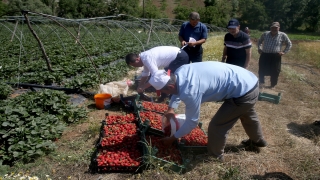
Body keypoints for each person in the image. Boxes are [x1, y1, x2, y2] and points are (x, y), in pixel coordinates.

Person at [148, 61, 267, 161]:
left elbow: (192, 122)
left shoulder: (190, 92)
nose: (164, 94)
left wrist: (173, 138)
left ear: (169, 87)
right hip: (247, 79)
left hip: (243, 92)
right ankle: (258, 141)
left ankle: (215, 156)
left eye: (164, 92)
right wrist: (170, 108)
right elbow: (177, 89)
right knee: (247, 113)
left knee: (217, 126)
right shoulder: (180, 71)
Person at [257, 22, 292, 89]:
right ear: (270, 28)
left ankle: (273, 85)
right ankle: (261, 83)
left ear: (279, 28)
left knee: (275, 70)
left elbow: (289, 44)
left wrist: (283, 52)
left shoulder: (282, 35)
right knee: (261, 69)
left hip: (276, 56)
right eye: (272, 27)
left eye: (276, 27)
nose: (274, 29)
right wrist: (259, 48)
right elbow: (259, 41)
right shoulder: (265, 34)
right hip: (265, 54)